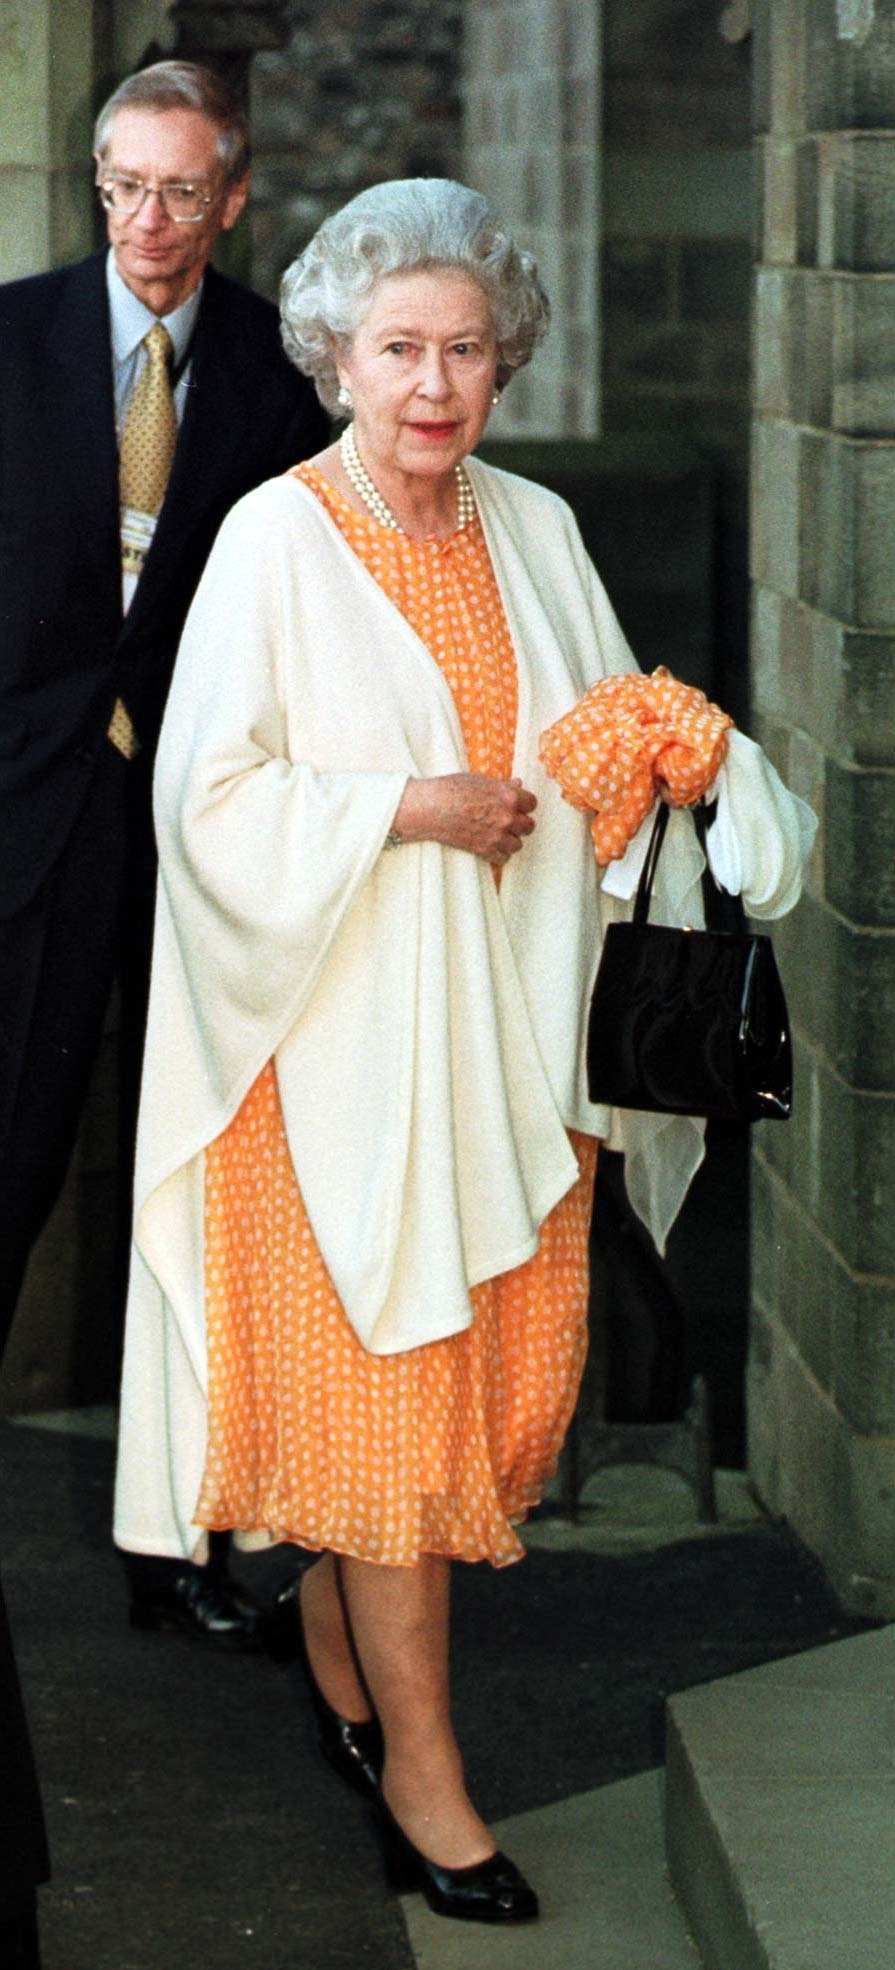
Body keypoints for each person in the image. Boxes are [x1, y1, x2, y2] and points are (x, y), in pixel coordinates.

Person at [113, 178, 813, 1925]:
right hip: (328, 1068)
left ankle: (349, 1696)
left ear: (504, 361)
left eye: (467, 352)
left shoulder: (536, 526)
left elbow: (583, 752)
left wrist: (663, 753)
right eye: (401, 349)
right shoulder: (273, 537)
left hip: (502, 1059)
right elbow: (202, 803)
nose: (435, 384)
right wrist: (404, 806)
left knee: (454, 1434)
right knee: (396, 1439)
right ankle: (429, 1787)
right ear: (338, 357)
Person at [0, 57, 327, 1967]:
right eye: (120, 185)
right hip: (33, 832)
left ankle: (178, 1540)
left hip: (209, 841)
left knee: (190, 1185)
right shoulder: (19, 342)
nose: (145, 221)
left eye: (180, 191)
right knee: (25, 1158)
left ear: (231, 198)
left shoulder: (288, 374)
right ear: (95, 187)